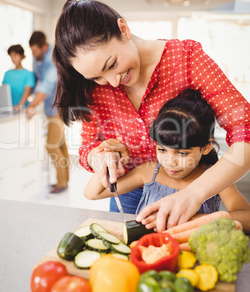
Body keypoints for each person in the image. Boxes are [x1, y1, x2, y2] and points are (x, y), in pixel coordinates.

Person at [53, 0, 250, 228]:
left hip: (194, 189)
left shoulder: (186, 59)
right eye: (97, 77)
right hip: (126, 193)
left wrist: (194, 193)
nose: (113, 82)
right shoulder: (95, 89)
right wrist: (100, 156)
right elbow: (88, 147)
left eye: (112, 64)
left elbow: (244, 130)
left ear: (123, 29)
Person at [84, 89, 250, 233]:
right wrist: (108, 152)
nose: (170, 162)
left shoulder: (215, 177)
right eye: (162, 150)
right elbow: (92, 194)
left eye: (182, 153)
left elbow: (246, 217)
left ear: (206, 148)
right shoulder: (149, 172)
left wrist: (195, 220)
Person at [26, 31, 70, 196]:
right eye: (31, 51)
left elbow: (45, 87)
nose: (33, 54)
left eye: (35, 51)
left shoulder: (52, 60)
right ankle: (65, 180)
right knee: (60, 144)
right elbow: (36, 82)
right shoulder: (37, 59)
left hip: (58, 108)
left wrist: (31, 106)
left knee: (51, 145)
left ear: (44, 47)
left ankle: (61, 182)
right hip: (51, 109)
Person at [2, 44, 35, 110]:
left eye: (15, 55)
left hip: (23, 110)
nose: (13, 58)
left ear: (21, 56)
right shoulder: (7, 74)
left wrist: (19, 106)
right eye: (11, 56)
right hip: (9, 109)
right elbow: (3, 92)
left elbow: (26, 93)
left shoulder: (28, 74)